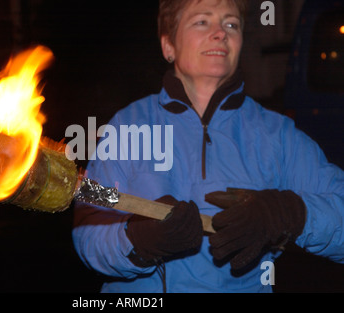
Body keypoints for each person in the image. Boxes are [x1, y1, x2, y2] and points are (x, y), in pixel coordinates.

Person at [72, 0, 344, 293]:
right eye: (202, 21)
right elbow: (88, 226)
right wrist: (139, 241)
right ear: (168, 45)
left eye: (231, 24)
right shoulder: (124, 128)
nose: (220, 33)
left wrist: (289, 213)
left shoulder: (278, 135)